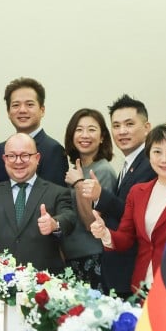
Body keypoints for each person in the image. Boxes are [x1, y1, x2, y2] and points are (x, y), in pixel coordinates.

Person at [89, 124, 166, 314]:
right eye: (157, 151)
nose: (164, 159)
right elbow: (125, 238)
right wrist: (105, 233)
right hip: (141, 288)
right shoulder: (138, 192)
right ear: (149, 154)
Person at [0, 132, 76, 273]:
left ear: (37, 158)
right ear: (4, 159)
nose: (18, 161)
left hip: (43, 283)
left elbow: (69, 217)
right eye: (12, 156)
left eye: (25, 155)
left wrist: (54, 224)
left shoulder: (57, 192)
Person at [78, 94, 156, 297]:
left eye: (129, 124)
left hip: (134, 267)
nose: (122, 131)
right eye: (116, 125)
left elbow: (136, 215)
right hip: (119, 266)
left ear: (146, 127)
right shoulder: (130, 163)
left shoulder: (151, 163)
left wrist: (101, 195)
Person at [61, 108, 117, 288]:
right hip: (71, 257)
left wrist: (78, 183)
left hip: (93, 257)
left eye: (92, 129)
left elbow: (91, 223)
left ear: (102, 137)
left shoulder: (103, 170)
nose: (85, 135)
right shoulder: (74, 170)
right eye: (79, 129)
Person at [0, 78, 68, 186]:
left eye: (29, 105)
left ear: (42, 110)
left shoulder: (54, 150)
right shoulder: (0, 149)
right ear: (8, 112)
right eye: (16, 105)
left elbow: (55, 196)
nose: (22, 110)